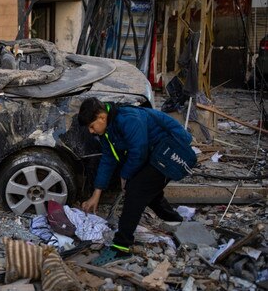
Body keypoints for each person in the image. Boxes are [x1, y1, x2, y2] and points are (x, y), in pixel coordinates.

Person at [77, 97, 191, 266]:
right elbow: (108, 159)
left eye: (92, 126)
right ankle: (176, 222)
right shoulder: (107, 129)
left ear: (101, 117)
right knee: (149, 192)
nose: (92, 131)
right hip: (153, 154)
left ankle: (121, 247)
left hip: (170, 153)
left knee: (136, 192)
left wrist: (125, 175)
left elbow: (139, 151)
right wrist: (96, 194)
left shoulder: (128, 118)